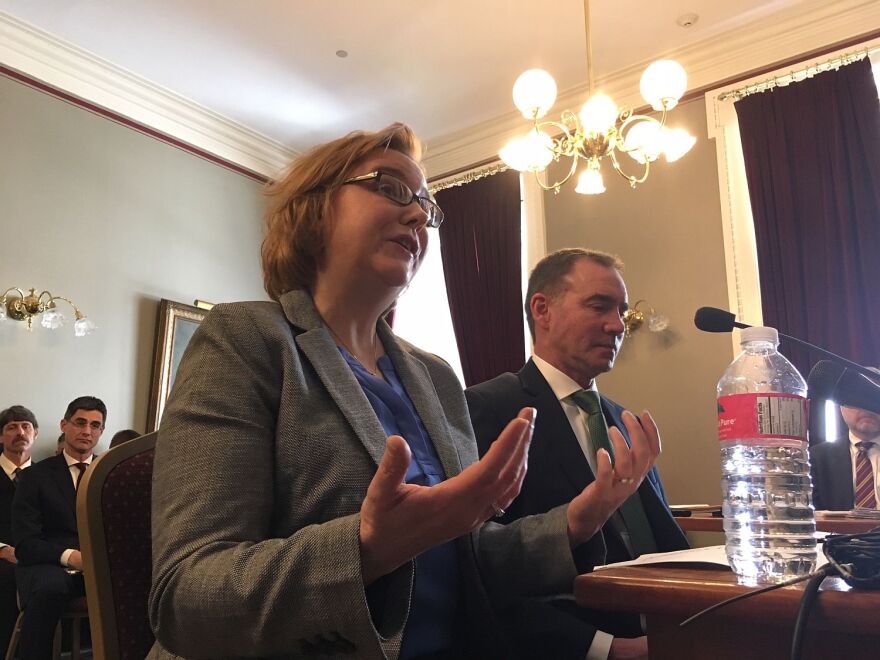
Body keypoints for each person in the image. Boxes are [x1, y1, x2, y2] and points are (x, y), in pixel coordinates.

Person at [147, 124, 663, 660]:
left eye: (426, 205)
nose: (419, 215)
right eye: (391, 188)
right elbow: (187, 597)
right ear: (314, 208)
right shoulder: (248, 341)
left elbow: (469, 558)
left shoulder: (435, 376)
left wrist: (580, 515)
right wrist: (369, 548)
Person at [466, 248, 688, 660]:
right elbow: (477, 569)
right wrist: (608, 650)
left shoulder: (623, 420)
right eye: (599, 306)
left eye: (621, 311)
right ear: (542, 309)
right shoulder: (488, 407)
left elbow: (655, 540)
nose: (617, 325)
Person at [13, 395, 106, 660]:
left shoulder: (108, 473)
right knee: (50, 588)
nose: (86, 431)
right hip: (47, 564)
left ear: (101, 431)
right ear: (64, 425)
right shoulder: (34, 476)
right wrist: (71, 557)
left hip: (98, 568)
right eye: (79, 422)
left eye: (95, 425)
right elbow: (25, 544)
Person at [0, 405, 38, 653]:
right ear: (1, 436)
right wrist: (3, 549)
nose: (20, 432)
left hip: (36, 555)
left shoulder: (46, 476)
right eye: (12, 427)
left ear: (35, 434)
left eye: (26, 426)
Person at [812, 391, 880, 510]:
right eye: (856, 399)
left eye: (875, 397)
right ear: (841, 407)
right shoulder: (817, 457)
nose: (867, 405)